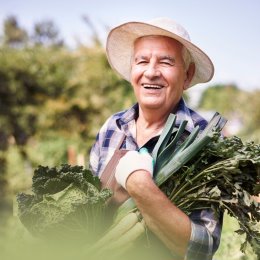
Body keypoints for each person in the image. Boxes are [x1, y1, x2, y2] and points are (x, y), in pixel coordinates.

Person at [89, 17, 222, 260]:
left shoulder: (205, 141)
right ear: (132, 71)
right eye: (142, 61)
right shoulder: (111, 128)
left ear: (188, 75)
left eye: (166, 62)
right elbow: (85, 209)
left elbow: (202, 250)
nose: (151, 72)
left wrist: (140, 186)